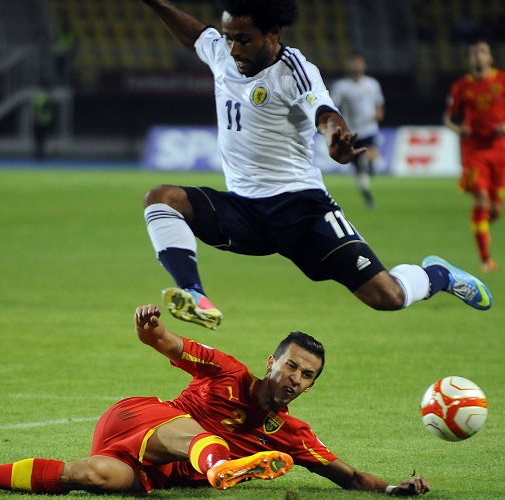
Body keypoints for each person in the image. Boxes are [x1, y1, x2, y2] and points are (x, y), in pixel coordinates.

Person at [141, 0, 492, 330]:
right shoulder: (224, 53)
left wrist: (334, 136)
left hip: (301, 210)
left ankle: (439, 275)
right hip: (245, 210)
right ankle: (194, 294)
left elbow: (323, 111)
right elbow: (198, 36)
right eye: (229, 37)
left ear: (273, 34)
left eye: (243, 40)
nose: (233, 49)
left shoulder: (294, 71)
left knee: (387, 297)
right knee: (161, 199)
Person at [0, 304, 430, 496]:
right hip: (142, 418)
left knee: (89, 476)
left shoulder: (292, 436)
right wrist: (150, 327)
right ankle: (221, 467)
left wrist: (393, 489)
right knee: (197, 436)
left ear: (311, 386)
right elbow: (167, 343)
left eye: (307, 375)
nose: (295, 378)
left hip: (150, 468)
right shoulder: (228, 371)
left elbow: (349, 477)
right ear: (271, 362)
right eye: (290, 365)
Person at [443, 39, 505, 273]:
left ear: (490, 58)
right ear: (470, 60)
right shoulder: (461, 87)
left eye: (482, 52)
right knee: (481, 199)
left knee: (495, 210)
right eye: (474, 54)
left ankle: (481, 227)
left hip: (499, 150)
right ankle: (485, 259)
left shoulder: (502, 81)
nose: (478, 56)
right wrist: (459, 129)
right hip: (474, 151)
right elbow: (448, 118)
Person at [330, 51, 385, 208]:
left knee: (371, 155)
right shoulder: (341, 86)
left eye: (359, 63)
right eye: (353, 63)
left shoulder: (372, 84)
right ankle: (367, 195)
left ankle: (370, 165)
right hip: (351, 132)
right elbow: (333, 106)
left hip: (369, 129)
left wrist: (379, 113)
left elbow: (379, 104)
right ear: (348, 66)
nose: (356, 66)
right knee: (358, 168)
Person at [32, 85, 55, 161]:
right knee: (41, 139)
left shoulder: (38, 97)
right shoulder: (47, 98)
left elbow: (35, 108)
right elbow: (44, 109)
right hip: (43, 121)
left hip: (39, 121)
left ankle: (39, 153)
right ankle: (40, 153)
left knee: (39, 139)